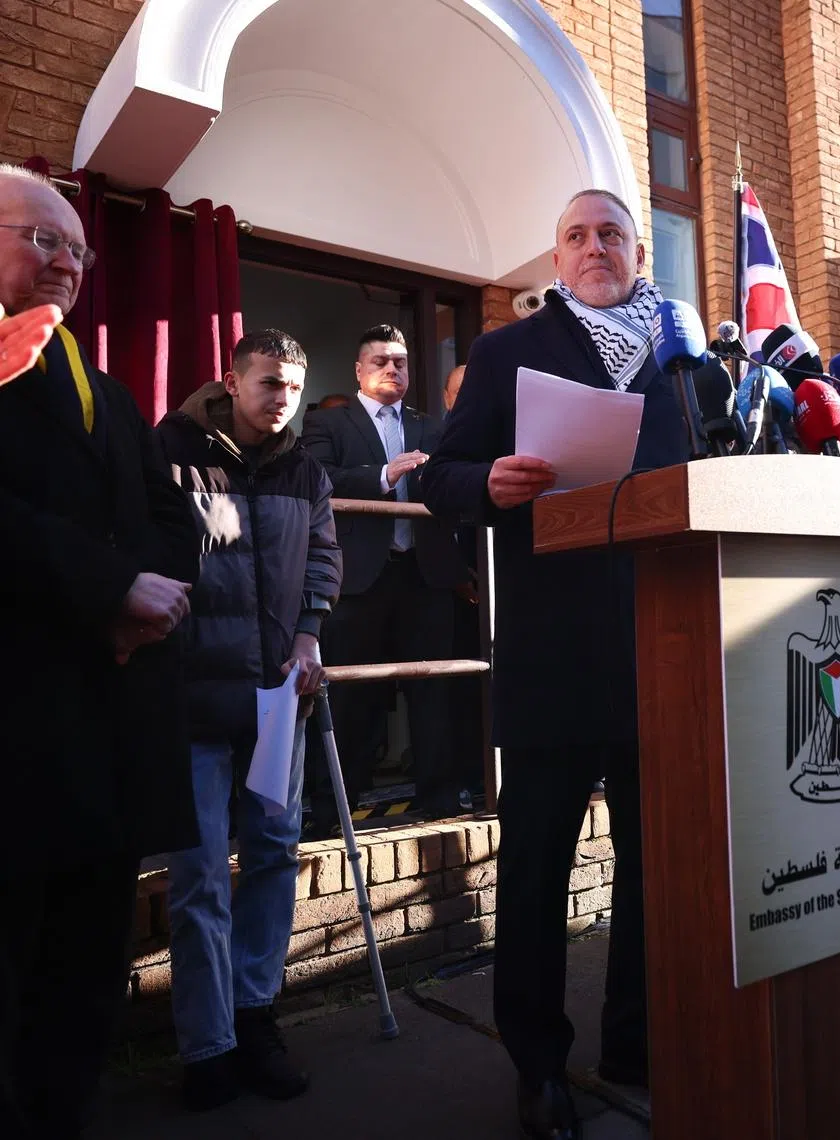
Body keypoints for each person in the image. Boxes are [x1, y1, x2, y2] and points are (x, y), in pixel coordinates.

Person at [421, 188, 688, 1140]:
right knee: (536, 870)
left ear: (635, 249)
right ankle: (538, 1064)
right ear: (557, 257)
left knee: (654, 866)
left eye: (610, 234)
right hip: (549, 656)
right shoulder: (507, 351)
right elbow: (444, 479)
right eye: (575, 236)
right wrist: (486, 483)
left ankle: (636, 1041)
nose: (593, 248)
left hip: (664, 654)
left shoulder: (679, 358)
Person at [0, 165, 200, 1138]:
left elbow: (169, 515)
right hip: (17, 725)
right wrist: (106, 586)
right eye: (41, 238)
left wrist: (147, 600)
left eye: (77, 248)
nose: (66, 262)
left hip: (108, 724)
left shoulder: (111, 395)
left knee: (86, 966)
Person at [156, 329, 341, 1109]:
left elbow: (326, 556)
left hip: (275, 700)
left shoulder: (306, 469)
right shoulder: (169, 450)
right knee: (198, 873)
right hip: (193, 694)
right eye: (269, 383)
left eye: (294, 387)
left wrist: (309, 634)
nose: (282, 399)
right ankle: (208, 1047)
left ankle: (256, 1015)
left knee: (272, 855)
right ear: (231, 379)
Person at [301, 325, 468, 827]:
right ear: (358, 370)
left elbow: (454, 479)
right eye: (380, 361)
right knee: (355, 696)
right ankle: (335, 810)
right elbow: (317, 478)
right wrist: (384, 475)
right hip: (360, 580)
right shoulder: (330, 422)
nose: (391, 369)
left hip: (424, 574)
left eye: (399, 361)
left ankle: (441, 801)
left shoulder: (430, 426)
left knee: (434, 691)